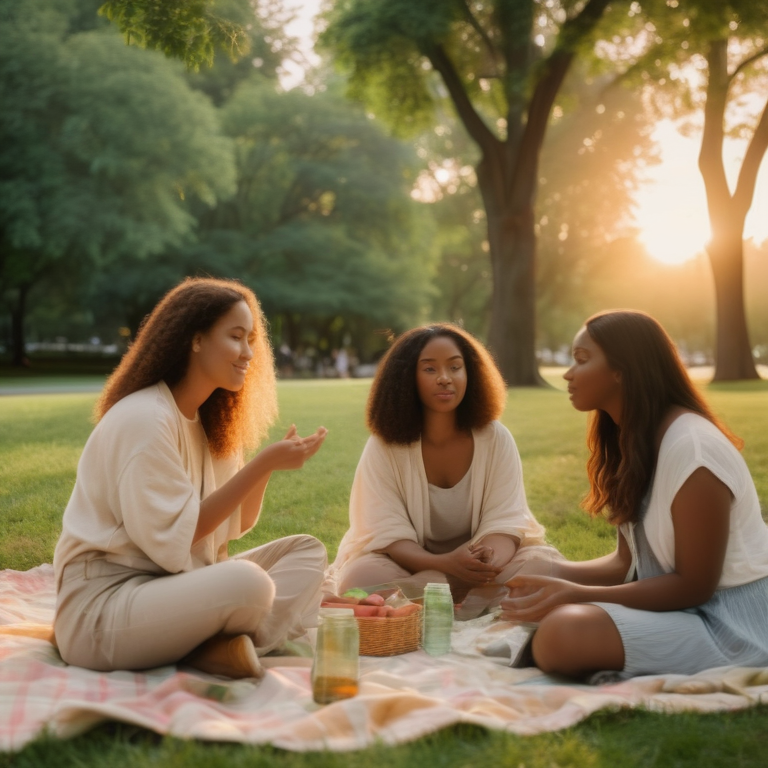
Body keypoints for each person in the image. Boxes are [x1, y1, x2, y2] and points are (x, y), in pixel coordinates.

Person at [53, 277, 328, 678]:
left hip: (173, 589)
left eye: (252, 339)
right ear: (195, 339)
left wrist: (265, 470)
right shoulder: (145, 418)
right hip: (103, 611)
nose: (249, 352)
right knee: (248, 585)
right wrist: (262, 463)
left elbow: (238, 524)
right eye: (236, 337)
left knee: (307, 551)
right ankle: (222, 647)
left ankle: (219, 649)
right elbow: (178, 539)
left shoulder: (211, 423)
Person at [501, 310, 768, 680]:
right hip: (682, 610)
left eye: (581, 360)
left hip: (731, 621)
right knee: (556, 621)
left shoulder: (694, 449)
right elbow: (625, 564)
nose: (568, 373)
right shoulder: (635, 439)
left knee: (563, 633)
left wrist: (573, 593)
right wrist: (546, 571)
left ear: (621, 371)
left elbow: (695, 585)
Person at [325, 323, 549, 604]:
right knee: (361, 579)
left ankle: (429, 596)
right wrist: (445, 565)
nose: (445, 378)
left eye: (455, 367)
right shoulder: (385, 445)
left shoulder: (496, 438)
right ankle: (467, 598)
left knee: (544, 567)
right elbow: (386, 530)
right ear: (408, 377)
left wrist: (480, 564)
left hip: (482, 566)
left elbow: (506, 519)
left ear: (470, 373)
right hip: (408, 563)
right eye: (430, 369)